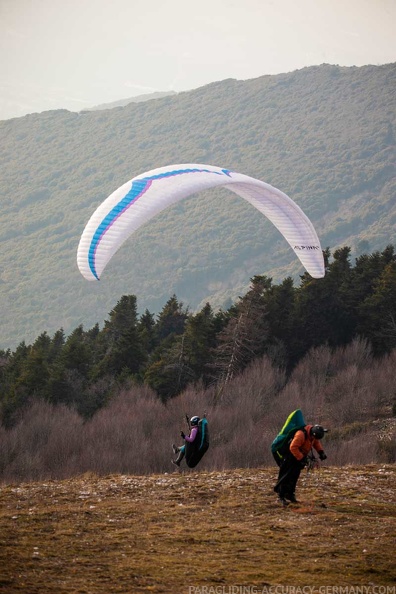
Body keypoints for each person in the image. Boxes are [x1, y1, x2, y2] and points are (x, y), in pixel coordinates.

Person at [274, 424, 327, 506]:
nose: (314, 439)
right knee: (286, 476)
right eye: (314, 437)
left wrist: (321, 452)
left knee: (295, 476)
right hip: (290, 456)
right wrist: (302, 458)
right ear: (313, 434)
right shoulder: (301, 434)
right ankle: (281, 496)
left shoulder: (312, 435)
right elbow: (293, 447)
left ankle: (290, 494)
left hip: (298, 457)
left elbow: (316, 442)